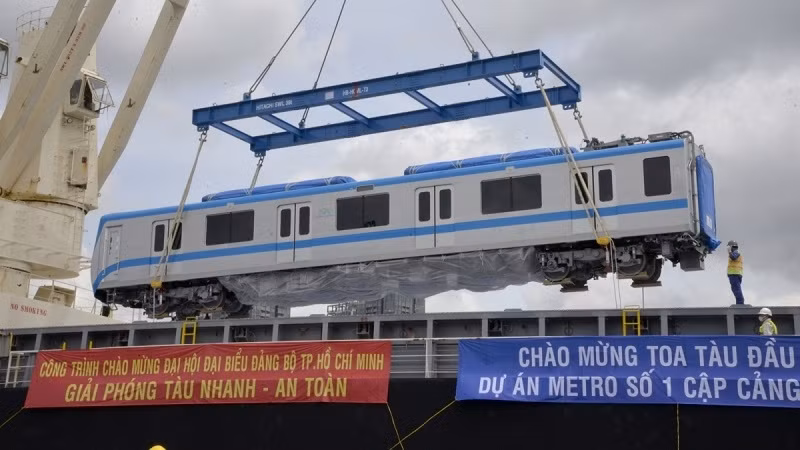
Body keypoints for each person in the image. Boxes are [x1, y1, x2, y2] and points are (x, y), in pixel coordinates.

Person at [726, 240, 744, 305]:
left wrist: (729, 251)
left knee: (737, 290)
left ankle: (740, 305)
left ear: (731, 247)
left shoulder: (736, 252)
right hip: (735, 275)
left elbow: (733, 257)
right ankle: (739, 304)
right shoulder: (736, 253)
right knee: (736, 290)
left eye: (728, 247)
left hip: (734, 275)